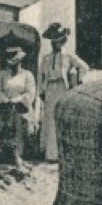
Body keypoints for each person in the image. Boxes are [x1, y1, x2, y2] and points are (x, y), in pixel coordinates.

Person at [37, 24, 87, 162]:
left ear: (63, 41)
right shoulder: (46, 58)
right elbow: (41, 75)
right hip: (50, 89)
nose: (55, 44)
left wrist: (77, 79)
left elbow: (83, 67)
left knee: (60, 117)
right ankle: (49, 153)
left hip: (62, 88)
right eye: (53, 41)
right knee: (49, 118)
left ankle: (60, 153)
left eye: (57, 41)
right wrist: (41, 90)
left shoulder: (68, 56)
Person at [0, 47, 38, 167]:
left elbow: (30, 93)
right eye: (11, 63)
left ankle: (19, 152)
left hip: (21, 107)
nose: (14, 66)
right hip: (4, 106)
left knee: (19, 119)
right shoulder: (2, 74)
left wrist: (17, 100)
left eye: (16, 63)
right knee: (1, 119)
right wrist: (5, 100)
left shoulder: (28, 75)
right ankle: (4, 152)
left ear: (20, 62)